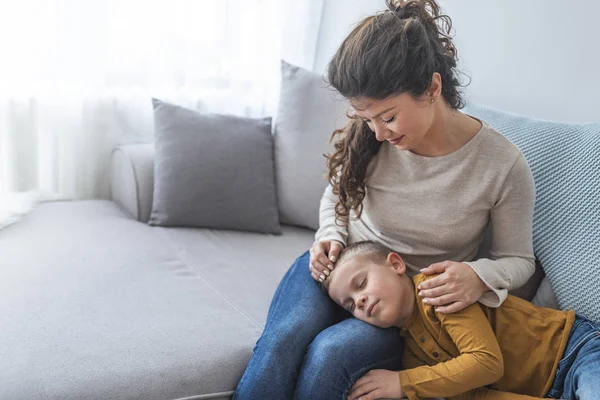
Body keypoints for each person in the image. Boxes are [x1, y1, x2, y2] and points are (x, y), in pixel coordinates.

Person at [234, 0, 536, 398]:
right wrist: (331, 233)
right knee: (281, 342)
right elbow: (335, 197)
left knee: (329, 354)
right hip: (339, 270)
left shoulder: (502, 165)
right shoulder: (370, 138)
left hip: (407, 308)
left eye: (389, 118)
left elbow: (519, 261)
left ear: (431, 88)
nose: (377, 133)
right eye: (366, 119)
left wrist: (477, 276)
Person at [322, 240, 600, 400]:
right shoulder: (414, 358)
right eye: (350, 306)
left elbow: (486, 362)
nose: (358, 301)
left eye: (361, 284)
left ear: (395, 265)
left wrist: (402, 383)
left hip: (573, 351)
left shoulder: (438, 290)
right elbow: (478, 396)